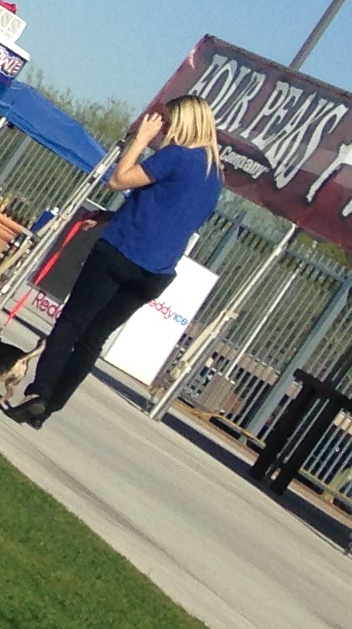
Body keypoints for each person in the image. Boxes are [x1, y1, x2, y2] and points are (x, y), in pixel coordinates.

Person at [14, 95, 225, 429]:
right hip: (156, 272)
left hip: (121, 252)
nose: (162, 130)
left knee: (72, 323)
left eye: (167, 123)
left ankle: (39, 392)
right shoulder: (214, 178)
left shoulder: (177, 157)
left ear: (183, 123)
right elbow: (168, 215)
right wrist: (112, 216)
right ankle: (50, 408)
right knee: (94, 338)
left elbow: (117, 180)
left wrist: (139, 141)